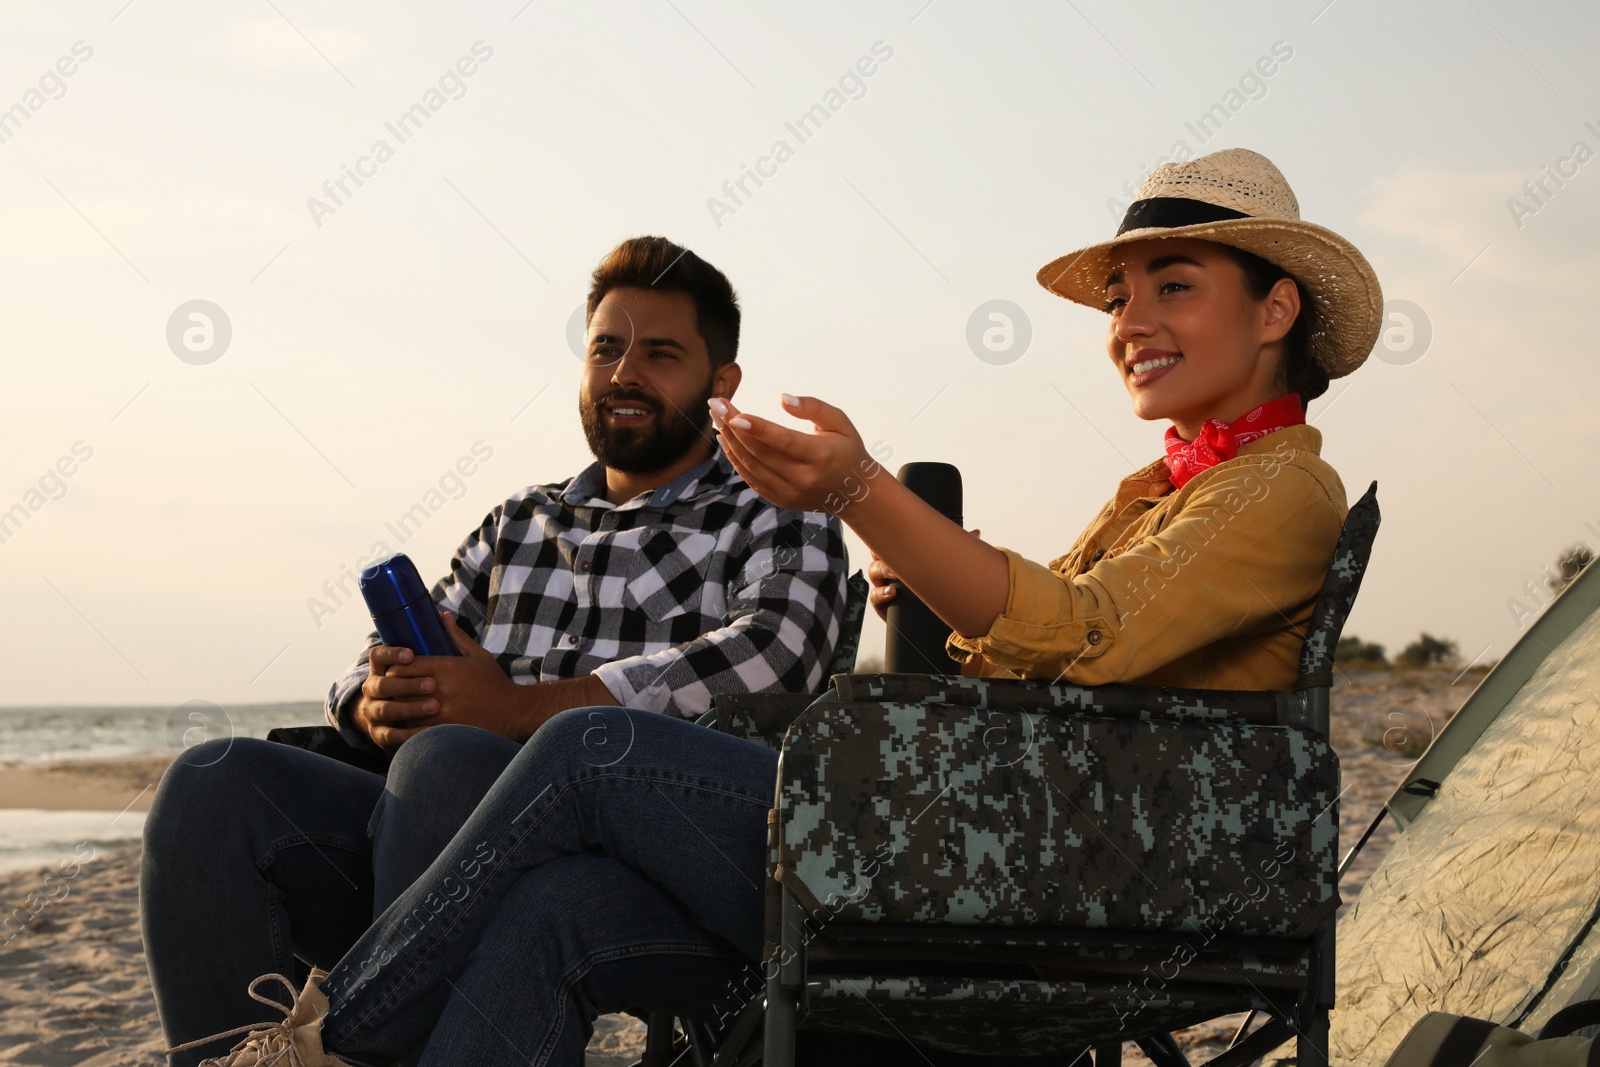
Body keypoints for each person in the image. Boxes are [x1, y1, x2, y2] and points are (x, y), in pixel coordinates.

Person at [170, 147, 1383, 1066]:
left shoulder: (1281, 488)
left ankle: (328, 1041)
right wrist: (932, 593)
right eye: (1120, 293)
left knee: (575, 742)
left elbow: (1083, 631)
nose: (1128, 323)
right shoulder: (1165, 492)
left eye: (1172, 285)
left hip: (1080, 865)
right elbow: (1056, 656)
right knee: (544, 896)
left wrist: (862, 492)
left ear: (1276, 311)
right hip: (1033, 832)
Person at [142, 236, 851, 1067]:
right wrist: (374, 699)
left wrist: (511, 710)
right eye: (606, 348)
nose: (626, 371)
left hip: (668, 865)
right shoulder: (521, 521)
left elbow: (777, 654)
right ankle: (233, 1056)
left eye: (660, 354)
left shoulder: (773, 509)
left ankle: (333, 1045)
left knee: (448, 756)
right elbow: (393, 648)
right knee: (213, 782)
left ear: (720, 382)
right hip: (443, 852)